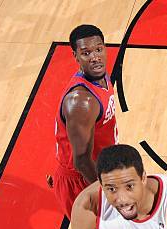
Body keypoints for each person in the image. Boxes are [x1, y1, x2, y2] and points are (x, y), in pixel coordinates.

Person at [50, 24, 119, 218]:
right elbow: (81, 162)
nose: (95, 57)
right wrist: (108, 194)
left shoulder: (100, 75)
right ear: (76, 56)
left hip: (101, 166)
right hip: (82, 179)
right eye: (86, 53)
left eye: (98, 49)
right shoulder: (81, 101)